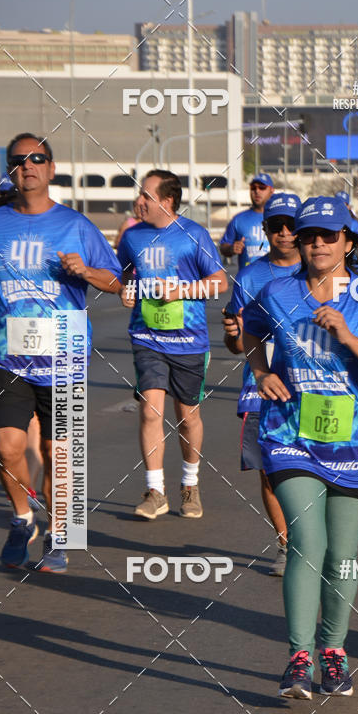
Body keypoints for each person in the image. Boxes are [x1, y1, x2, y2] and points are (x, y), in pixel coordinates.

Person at [242, 196, 358, 698]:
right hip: (290, 436)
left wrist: (348, 337)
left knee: (341, 557)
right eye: (309, 234)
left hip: (354, 442)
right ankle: (299, 659)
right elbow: (250, 333)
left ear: (348, 242)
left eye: (329, 235)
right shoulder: (276, 292)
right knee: (307, 544)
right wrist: (260, 371)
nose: (317, 243)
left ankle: (333, 652)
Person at [0, 132, 122, 571]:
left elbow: (119, 283)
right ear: (10, 170)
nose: (28, 165)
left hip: (64, 357)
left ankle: (61, 535)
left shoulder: (76, 225)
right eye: (19, 160)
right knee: (7, 448)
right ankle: (23, 519)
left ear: (51, 168)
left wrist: (87, 270)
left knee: (59, 453)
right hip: (8, 354)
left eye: (37, 158)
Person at [118, 170, 227, 519]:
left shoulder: (192, 235)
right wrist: (125, 289)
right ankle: (155, 491)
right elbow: (122, 274)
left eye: (145, 196)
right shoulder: (132, 237)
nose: (139, 201)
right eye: (139, 194)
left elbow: (219, 282)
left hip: (188, 341)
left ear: (166, 201)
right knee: (150, 410)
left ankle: (190, 484)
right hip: (147, 337)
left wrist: (182, 290)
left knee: (187, 417)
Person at [222, 193, 302, 575]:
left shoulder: (322, 269)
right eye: (276, 227)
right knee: (270, 471)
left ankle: (314, 538)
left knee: (313, 469)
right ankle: (287, 544)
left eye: (291, 226)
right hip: (262, 388)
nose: (284, 234)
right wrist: (233, 332)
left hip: (314, 387)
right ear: (265, 230)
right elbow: (237, 344)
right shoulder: (251, 276)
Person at [220, 173, 274, 271]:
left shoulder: (279, 217)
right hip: (248, 282)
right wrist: (231, 248)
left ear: (271, 191)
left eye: (262, 187)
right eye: (253, 188)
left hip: (274, 280)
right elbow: (223, 246)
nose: (257, 191)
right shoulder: (239, 219)